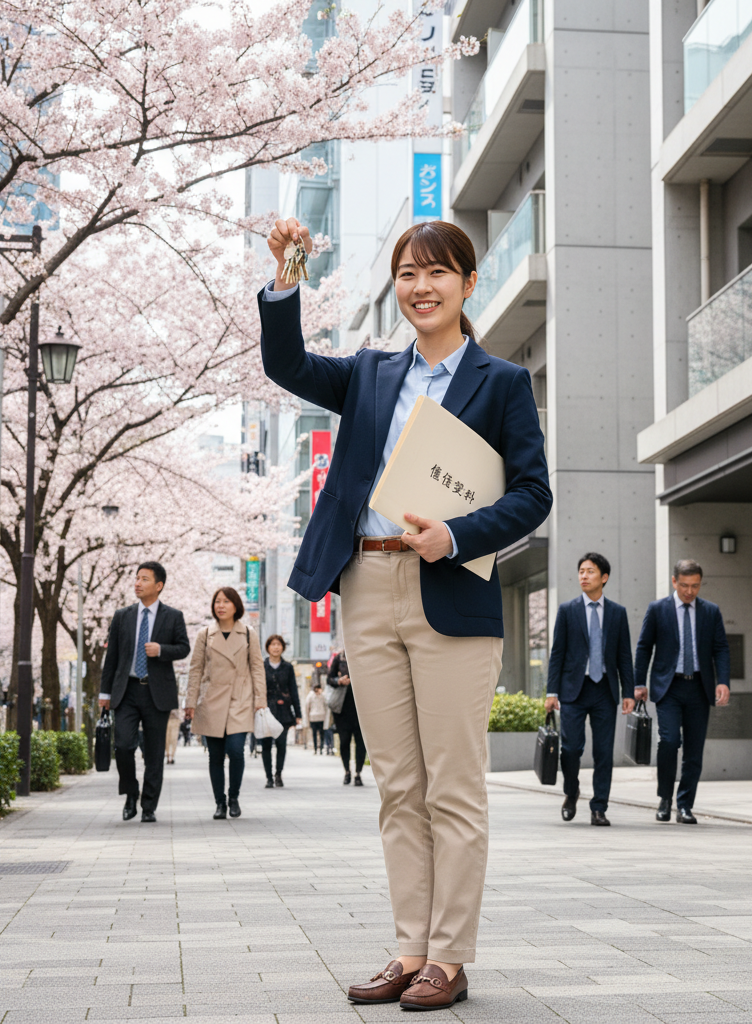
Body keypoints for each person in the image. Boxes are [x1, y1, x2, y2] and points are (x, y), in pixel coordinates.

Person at [259, 217, 552, 1010]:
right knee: (396, 784)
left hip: (450, 590)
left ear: (467, 284)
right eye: (408, 275)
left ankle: (450, 959)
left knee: (453, 785)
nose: (421, 287)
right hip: (367, 583)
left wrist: (455, 534)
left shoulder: (500, 383)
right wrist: (286, 275)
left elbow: (533, 493)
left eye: (437, 273)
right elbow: (284, 362)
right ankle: (408, 948)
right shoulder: (370, 373)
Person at [634, 558, 731, 825]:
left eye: (696, 586)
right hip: (669, 687)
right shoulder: (658, 609)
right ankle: (665, 798)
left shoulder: (711, 611)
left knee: (694, 750)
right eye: (685, 585)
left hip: (700, 687)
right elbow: (644, 648)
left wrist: (723, 681)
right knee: (668, 742)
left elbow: (721, 648)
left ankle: (685, 805)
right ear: (674, 581)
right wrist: (639, 683)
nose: (690, 591)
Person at [545, 553, 636, 826]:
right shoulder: (567, 610)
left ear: (604, 578)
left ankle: (599, 808)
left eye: (590, 571)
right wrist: (552, 692)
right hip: (573, 690)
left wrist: (628, 693)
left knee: (604, 752)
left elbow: (624, 656)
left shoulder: (617, 613)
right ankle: (571, 792)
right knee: (571, 749)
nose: (584, 576)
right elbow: (557, 653)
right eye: (581, 571)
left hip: (604, 690)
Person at [99, 561, 191, 823]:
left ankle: (148, 806)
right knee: (123, 746)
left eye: (145, 579)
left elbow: (183, 648)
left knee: (154, 753)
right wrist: (105, 694)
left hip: (156, 692)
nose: (137, 583)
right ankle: (131, 793)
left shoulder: (173, 616)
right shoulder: (122, 616)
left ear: (159, 585)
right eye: (136, 578)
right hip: (125, 692)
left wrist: (161, 650)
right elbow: (112, 657)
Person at [185, 587, 267, 819]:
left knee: (236, 750)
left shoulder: (249, 633)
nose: (220, 605)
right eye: (217, 601)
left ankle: (234, 797)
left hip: (240, 698)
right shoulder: (205, 634)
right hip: (211, 700)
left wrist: (260, 699)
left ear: (236, 605)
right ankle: (220, 803)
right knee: (216, 755)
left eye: (226, 601)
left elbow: (257, 668)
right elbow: (195, 669)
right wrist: (190, 701)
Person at [262, 634, 301, 788]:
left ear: (283, 648)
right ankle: (268, 777)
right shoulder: (261, 666)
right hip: (265, 710)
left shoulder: (288, 667)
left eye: (279, 644)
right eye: (273, 644)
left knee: (281, 744)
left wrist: (298, 714)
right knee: (265, 745)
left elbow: (293, 691)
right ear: (268, 648)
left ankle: (278, 773)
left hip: (283, 710)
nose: (276, 647)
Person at [327, 650, 364, 785]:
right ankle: (347, 771)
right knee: (344, 741)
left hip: (361, 707)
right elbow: (329, 679)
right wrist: (339, 681)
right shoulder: (339, 658)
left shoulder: (364, 654)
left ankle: (358, 773)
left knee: (361, 742)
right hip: (342, 709)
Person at [306, 683, 327, 754]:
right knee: (316, 734)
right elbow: (307, 707)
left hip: (319, 717)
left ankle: (320, 748)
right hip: (315, 718)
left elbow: (326, 705)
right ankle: (316, 749)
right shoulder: (311, 696)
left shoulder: (323, 696)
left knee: (320, 734)